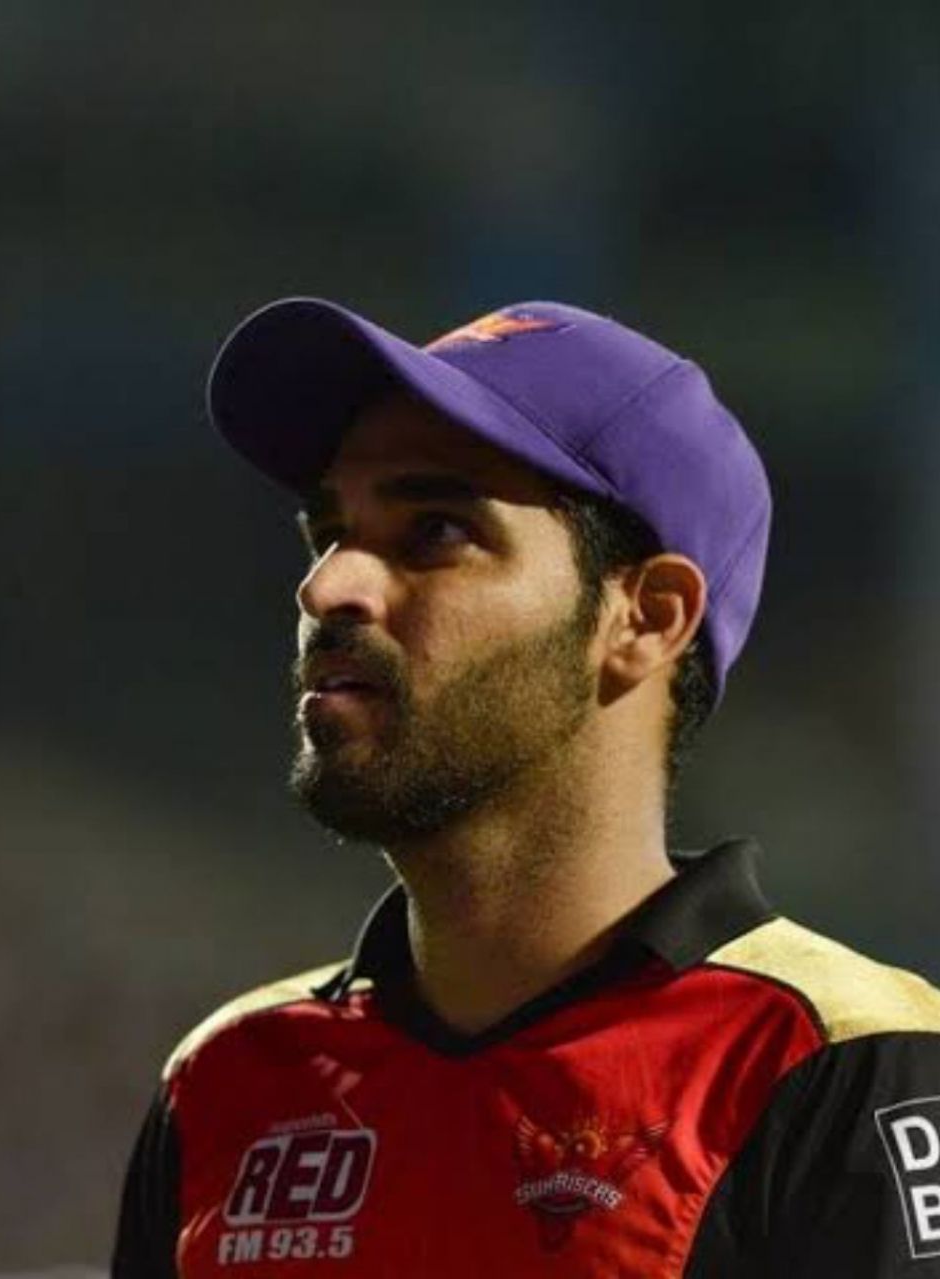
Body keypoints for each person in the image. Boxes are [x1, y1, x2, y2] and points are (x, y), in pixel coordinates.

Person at [112, 298, 940, 1276]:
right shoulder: (224, 1078)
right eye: (330, 530)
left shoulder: (851, 1062)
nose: (329, 587)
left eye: (433, 530)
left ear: (646, 618)